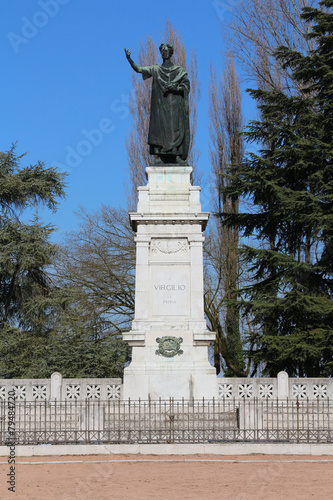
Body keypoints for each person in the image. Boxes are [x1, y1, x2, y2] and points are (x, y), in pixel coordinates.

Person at [125, 43, 190, 165]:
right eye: (162, 51)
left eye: (166, 51)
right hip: (160, 107)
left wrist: (175, 87)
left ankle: (175, 154)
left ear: (171, 53)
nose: (164, 53)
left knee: (174, 129)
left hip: (174, 106)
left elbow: (186, 87)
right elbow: (139, 69)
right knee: (159, 129)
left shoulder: (179, 71)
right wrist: (129, 59)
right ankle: (160, 154)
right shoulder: (156, 69)